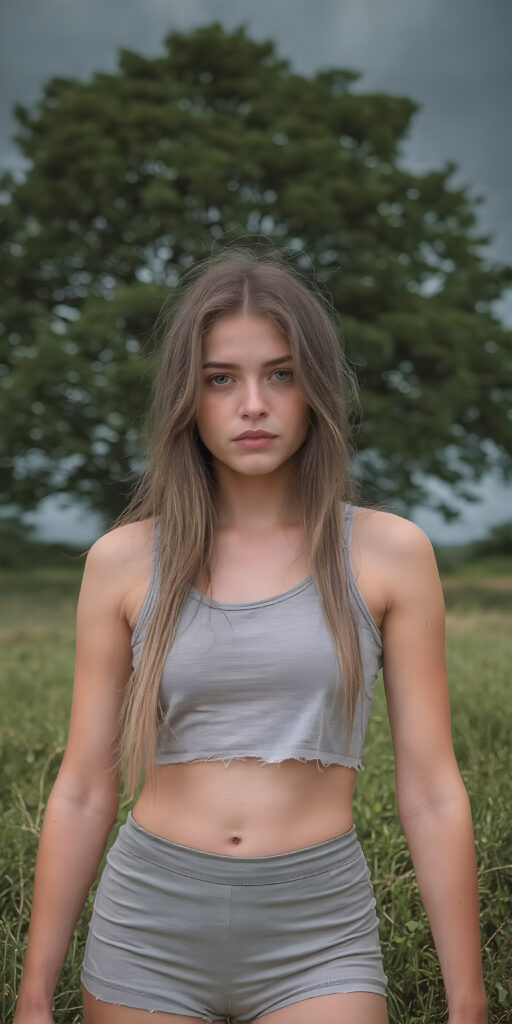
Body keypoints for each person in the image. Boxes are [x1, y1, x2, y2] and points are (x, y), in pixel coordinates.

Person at [14, 246, 488, 1024]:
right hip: (150, 924)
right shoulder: (122, 561)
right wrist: (33, 1000)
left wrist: (469, 1005)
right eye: (221, 379)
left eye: (282, 373)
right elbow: (83, 788)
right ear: (187, 398)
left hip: (318, 929)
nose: (254, 405)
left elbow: (432, 790)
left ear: (317, 391)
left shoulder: (390, 553)